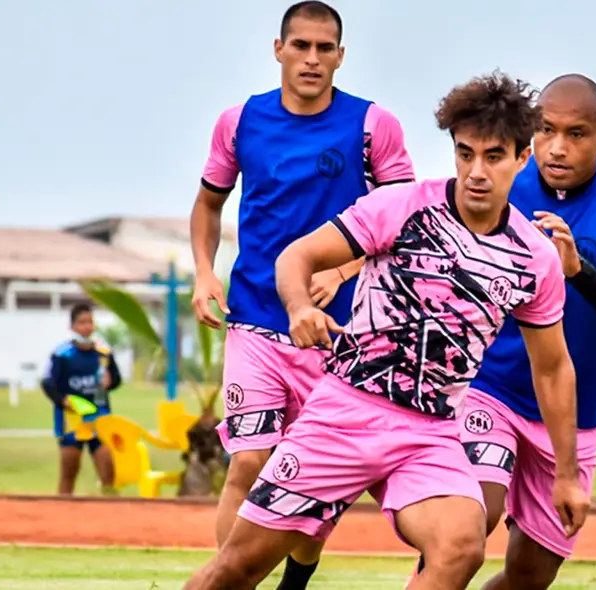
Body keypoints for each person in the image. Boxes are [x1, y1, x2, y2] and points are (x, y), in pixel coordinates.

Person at [183, 71, 590, 590]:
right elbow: (298, 256)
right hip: (345, 412)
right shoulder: (403, 206)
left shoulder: (534, 257)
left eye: (493, 157)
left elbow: (553, 368)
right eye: (466, 154)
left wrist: (566, 474)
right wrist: (299, 306)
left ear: (521, 157)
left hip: (430, 432)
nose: (477, 172)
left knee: (461, 546)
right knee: (235, 569)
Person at [411, 74, 596, 590]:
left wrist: (579, 271)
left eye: (576, 134)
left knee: (528, 576)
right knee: (466, 526)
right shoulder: (501, 180)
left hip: (576, 413)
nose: (557, 147)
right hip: (490, 391)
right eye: (547, 130)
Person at [188, 2, 415, 587]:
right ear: (278, 49)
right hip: (257, 318)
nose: (312, 59)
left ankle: (295, 580)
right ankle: (231, 580)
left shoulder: (372, 125)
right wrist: (203, 272)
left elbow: (405, 221)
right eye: (301, 46)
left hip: (342, 331)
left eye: (324, 48)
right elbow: (209, 202)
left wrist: (343, 272)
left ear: (341, 55)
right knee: (249, 462)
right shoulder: (239, 121)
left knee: (313, 479)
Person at [40, 303, 122, 496]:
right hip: (72, 421)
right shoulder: (62, 354)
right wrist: (63, 401)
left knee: (108, 471)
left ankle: (110, 512)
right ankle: (63, 513)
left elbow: (116, 379)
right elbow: (47, 383)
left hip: (100, 418)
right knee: (69, 473)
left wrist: (111, 381)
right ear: (73, 326)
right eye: (82, 322)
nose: (87, 327)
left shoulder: (103, 352)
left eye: (90, 322)